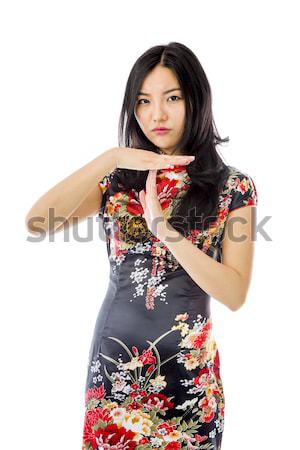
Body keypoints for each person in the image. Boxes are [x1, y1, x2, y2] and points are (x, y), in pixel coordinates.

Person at [25, 42, 258, 450]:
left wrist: (165, 230)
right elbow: (37, 220)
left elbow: (234, 293)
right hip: (114, 374)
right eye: (143, 101)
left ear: (196, 100)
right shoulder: (118, 181)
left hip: (188, 383)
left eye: (172, 98)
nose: (158, 115)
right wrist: (111, 157)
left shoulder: (232, 187)